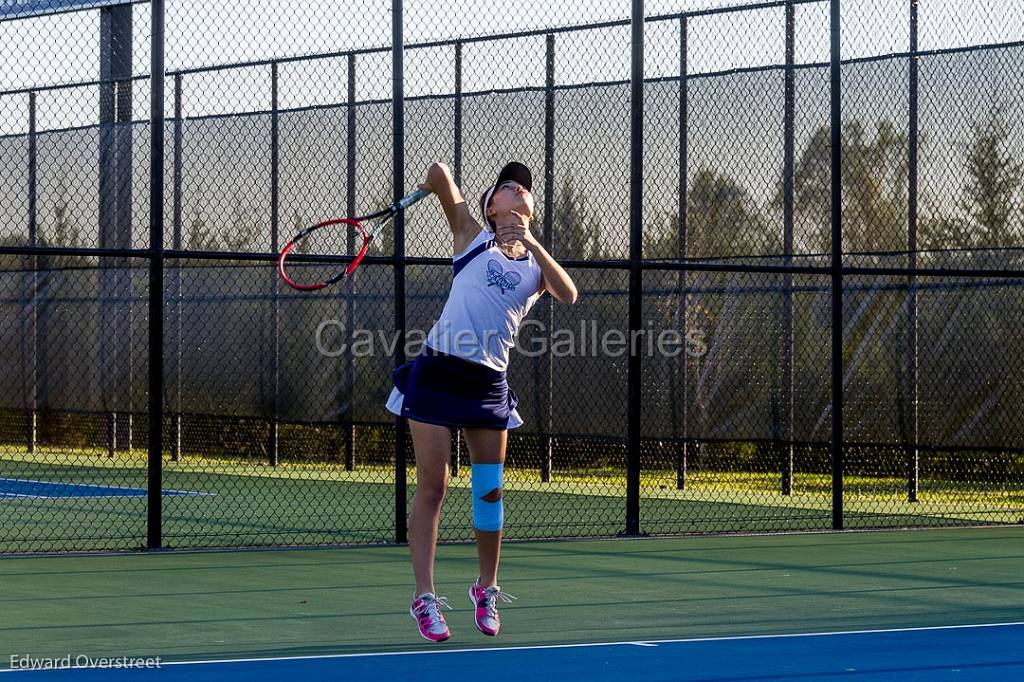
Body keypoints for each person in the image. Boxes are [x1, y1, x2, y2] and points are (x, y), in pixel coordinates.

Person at [386, 160, 578, 642]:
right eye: (508, 187)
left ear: (530, 209)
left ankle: (486, 588)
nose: (519, 190)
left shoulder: (536, 267)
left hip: (488, 384)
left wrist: (531, 242)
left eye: (525, 189)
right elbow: (440, 173)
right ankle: (425, 599)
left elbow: (570, 294)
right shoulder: (472, 236)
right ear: (493, 206)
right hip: (437, 371)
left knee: (489, 490)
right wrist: (435, 185)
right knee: (435, 485)